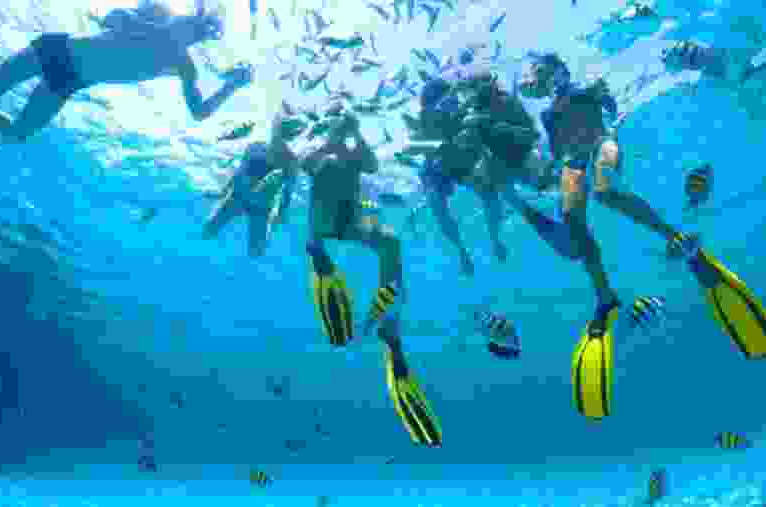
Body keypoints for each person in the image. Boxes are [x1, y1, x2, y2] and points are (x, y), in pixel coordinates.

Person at [504, 52, 766, 419]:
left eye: (545, 71)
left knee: (606, 191)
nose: (542, 79)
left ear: (559, 69)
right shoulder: (548, 114)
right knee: (571, 219)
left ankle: (675, 237)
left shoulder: (587, 87)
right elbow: (555, 148)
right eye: (538, 75)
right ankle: (604, 297)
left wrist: (609, 117)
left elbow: (612, 112)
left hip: (603, 142)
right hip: (572, 162)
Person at [300, 100, 441, 447]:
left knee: (390, 242)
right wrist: (332, 136)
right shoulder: (315, 145)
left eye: (341, 118)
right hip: (322, 222)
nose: (340, 122)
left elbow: (373, 164)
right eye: (335, 117)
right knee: (322, 207)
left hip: (350, 219)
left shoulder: (350, 149)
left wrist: (357, 133)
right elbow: (311, 166)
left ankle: (388, 322)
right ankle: (318, 254)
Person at [0, 0, 253, 142]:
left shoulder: (184, 65)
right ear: (185, 17)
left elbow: (198, 112)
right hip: (57, 50)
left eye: (198, 33)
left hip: (70, 80)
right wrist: (144, 24)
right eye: (192, 24)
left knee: (18, 134)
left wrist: (232, 87)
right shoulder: (155, 14)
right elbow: (111, 18)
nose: (189, 33)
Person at [401, 62, 552, 274]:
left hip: (463, 165)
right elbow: (408, 147)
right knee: (436, 202)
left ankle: (496, 239)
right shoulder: (426, 122)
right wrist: (436, 145)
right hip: (437, 168)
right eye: (443, 105)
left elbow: (489, 152)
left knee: (490, 193)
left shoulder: (467, 114)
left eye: (452, 101)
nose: (450, 107)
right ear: (429, 109)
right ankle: (462, 251)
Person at [203, 102, 301, 257]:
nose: (278, 131)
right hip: (238, 198)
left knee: (256, 252)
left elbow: (288, 191)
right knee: (207, 230)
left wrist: (281, 213)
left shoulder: (291, 161)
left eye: (284, 127)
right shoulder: (254, 147)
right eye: (278, 125)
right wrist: (222, 192)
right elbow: (237, 173)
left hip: (261, 209)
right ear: (274, 126)